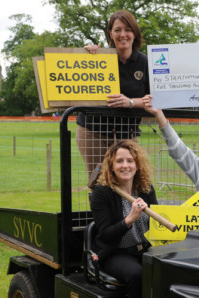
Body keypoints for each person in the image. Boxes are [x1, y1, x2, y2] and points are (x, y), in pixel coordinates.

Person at [77, 10, 150, 187]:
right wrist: (86, 54)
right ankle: (98, 216)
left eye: (127, 29)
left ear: (135, 33)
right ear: (110, 33)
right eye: (117, 30)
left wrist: (130, 102)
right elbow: (78, 81)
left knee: (129, 183)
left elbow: (155, 100)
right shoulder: (98, 57)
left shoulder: (146, 62)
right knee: (98, 182)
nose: (123, 34)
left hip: (128, 133)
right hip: (93, 130)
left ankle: (126, 216)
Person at [90, 140, 157, 298]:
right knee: (137, 274)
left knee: (167, 268)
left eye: (130, 161)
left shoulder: (146, 189)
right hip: (115, 252)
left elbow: (156, 223)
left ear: (137, 165)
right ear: (111, 166)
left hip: (144, 248)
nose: (125, 165)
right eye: (119, 161)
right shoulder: (102, 192)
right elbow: (105, 234)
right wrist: (129, 219)